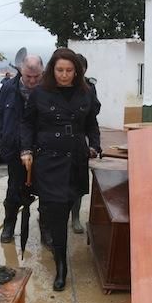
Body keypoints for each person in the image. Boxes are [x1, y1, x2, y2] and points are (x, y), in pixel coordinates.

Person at [20, 48, 101, 290]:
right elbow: (27, 123)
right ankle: (61, 265)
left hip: (75, 159)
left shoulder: (85, 94)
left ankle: (59, 251)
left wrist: (95, 145)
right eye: (60, 70)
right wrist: (26, 150)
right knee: (56, 212)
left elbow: (91, 123)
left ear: (76, 72)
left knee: (66, 206)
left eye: (69, 70)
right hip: (49, 160)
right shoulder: (40, 94)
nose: (64, 75)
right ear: (52, 70)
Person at [0, 54, 47, 245]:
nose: (32, 81)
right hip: (14, 150)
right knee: (14, 189)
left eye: (36, 77)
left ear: (42, 72)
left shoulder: (48, 90)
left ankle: (45, 230)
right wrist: (4, 136)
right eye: (28, 77)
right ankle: (9, 225)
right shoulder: (8, 87)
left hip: (42, 150)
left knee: (45, 191)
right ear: (21, 71)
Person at [69, 53, 102, 234]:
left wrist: (94, 145)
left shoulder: (89, 88)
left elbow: (93, 119)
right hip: (57, 144)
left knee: (79, 184)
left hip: (79, 142)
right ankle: (48, 216)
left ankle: (75, 218)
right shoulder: (56, 88)